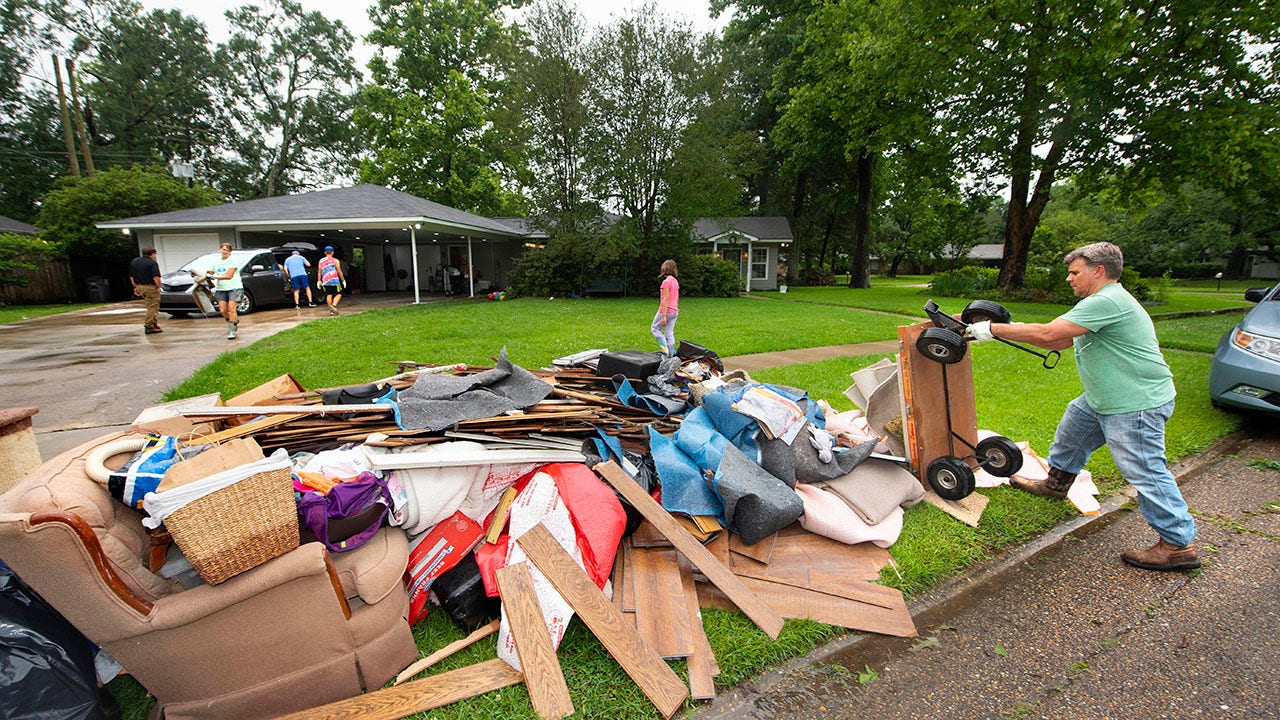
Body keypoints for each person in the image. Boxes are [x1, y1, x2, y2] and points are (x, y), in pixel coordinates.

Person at [965, 241, 1197, 571]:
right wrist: (996, 331)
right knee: (1072, 432)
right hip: (1104, 398)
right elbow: (1060, 339)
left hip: (1134, 404)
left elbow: (1047, 334)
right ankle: (1056, 484)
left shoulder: (1109, 300)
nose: (1069, 279)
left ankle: (1177, 544)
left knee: (1144, 471)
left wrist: (989, 328)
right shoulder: (1098, 302)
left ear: (1098, 271)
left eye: (1074, 272)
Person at [207, 242, 243, 340]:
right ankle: (233, 322)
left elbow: (229, 275)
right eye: (223, 249)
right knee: (222, 310)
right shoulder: (216, 261)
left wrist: (215, 276)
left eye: (227, 250)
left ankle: (232, 330)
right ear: (220, 250)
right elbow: (210, 272)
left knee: (231, 308)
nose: (225, 251)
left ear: (230, 252)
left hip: (234, 287)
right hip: (221, 288)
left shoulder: (232, 261)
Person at [128, 247, 163, 335]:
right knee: (153, 306)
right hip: (150, 287)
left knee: (149, 305)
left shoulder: (135, 261)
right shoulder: (152, 263)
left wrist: (135, 287)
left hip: (139, 286)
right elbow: (156, 277)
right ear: (153, 254)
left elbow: (131, 277)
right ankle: (149, 326)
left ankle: (154, 324)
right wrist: (159, 286)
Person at [651, 259, 680, 355]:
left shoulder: (666, 282)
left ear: (664, 269)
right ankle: (672, 354)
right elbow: (676, 296)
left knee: (655, 328)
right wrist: (676, 307)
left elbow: (665, 299)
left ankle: (665, 348)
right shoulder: (675, 282)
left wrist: (663, 316)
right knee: (669, 333)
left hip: (666, 310)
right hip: (674, 311)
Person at [318, 245, 346, 315]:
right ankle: (333, 306)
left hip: (325, 280)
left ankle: (331, 311)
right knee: (339, 293)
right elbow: (339, 271)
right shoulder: (335, 260)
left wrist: (319, 280)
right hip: (334, 280)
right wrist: (343, 280)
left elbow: (319, 271)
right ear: (332, 252)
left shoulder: (321, 261)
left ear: (325, 252)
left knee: (328, 294)